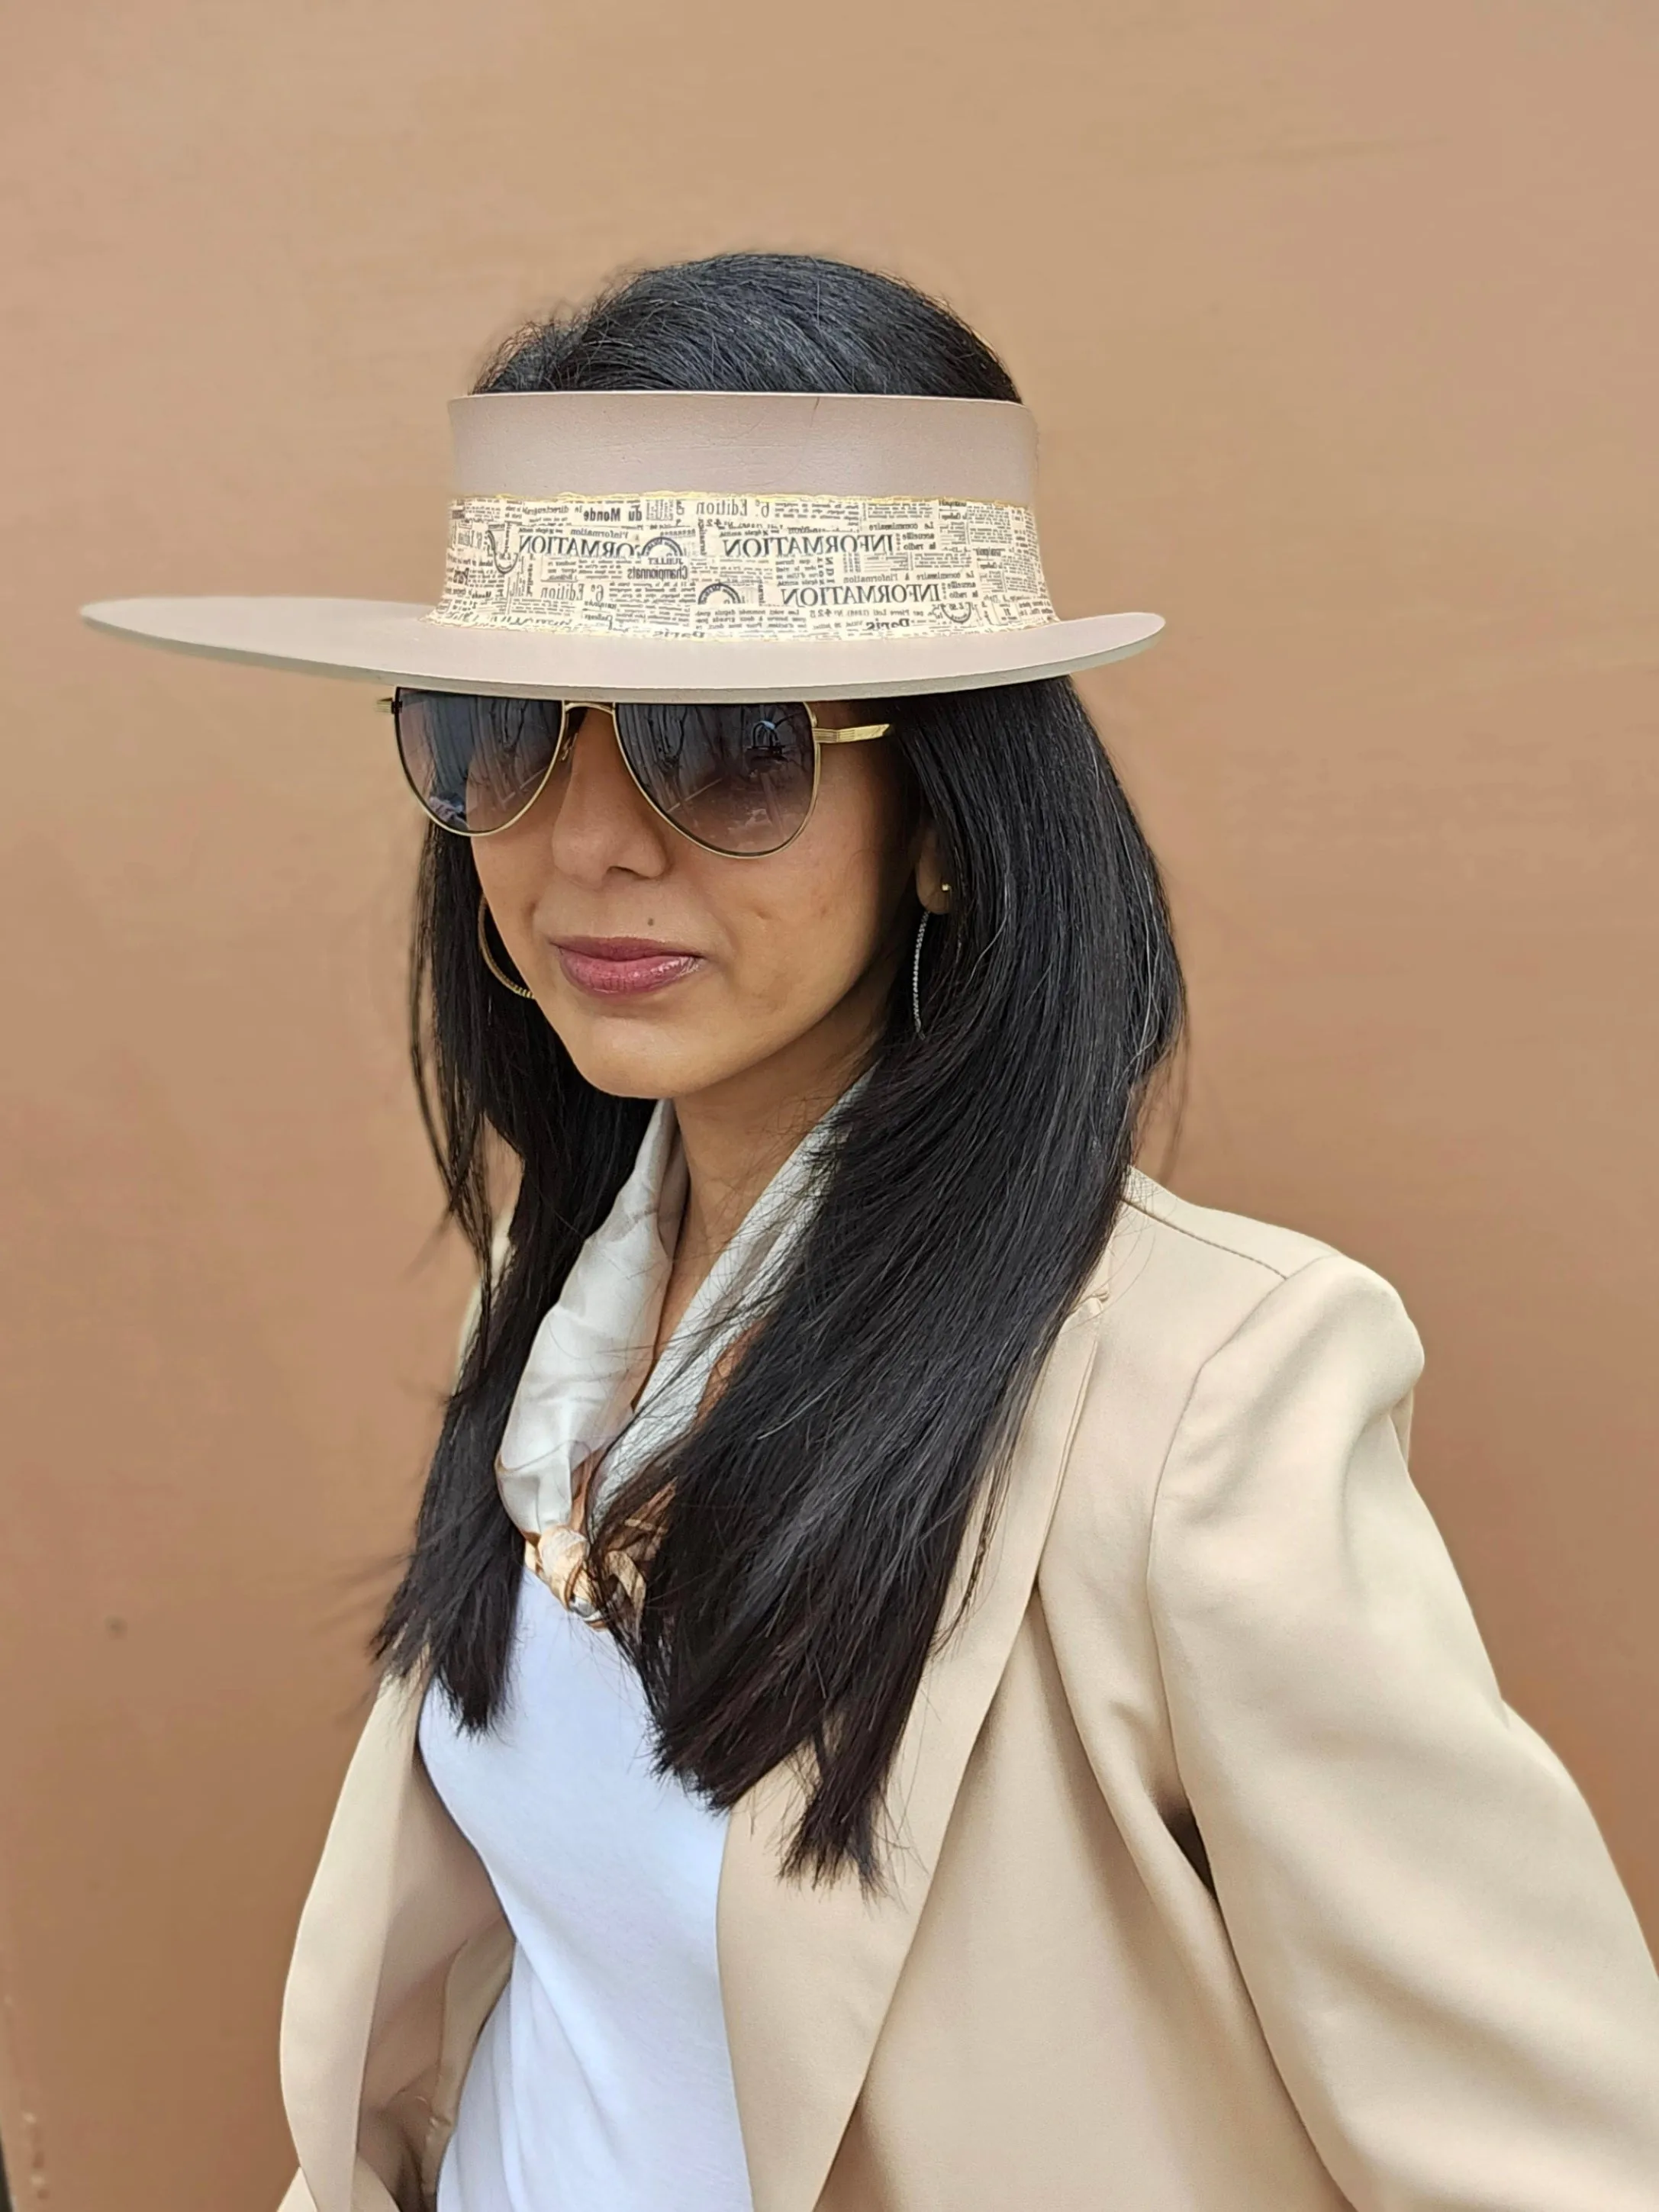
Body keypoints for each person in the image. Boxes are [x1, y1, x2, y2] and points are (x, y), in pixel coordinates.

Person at [83, 253, 1659, 2212]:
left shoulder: (1198, 1408)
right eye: (508, 728)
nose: (588, 843)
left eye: (730, 748)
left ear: (940, 814)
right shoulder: (564, 1306)